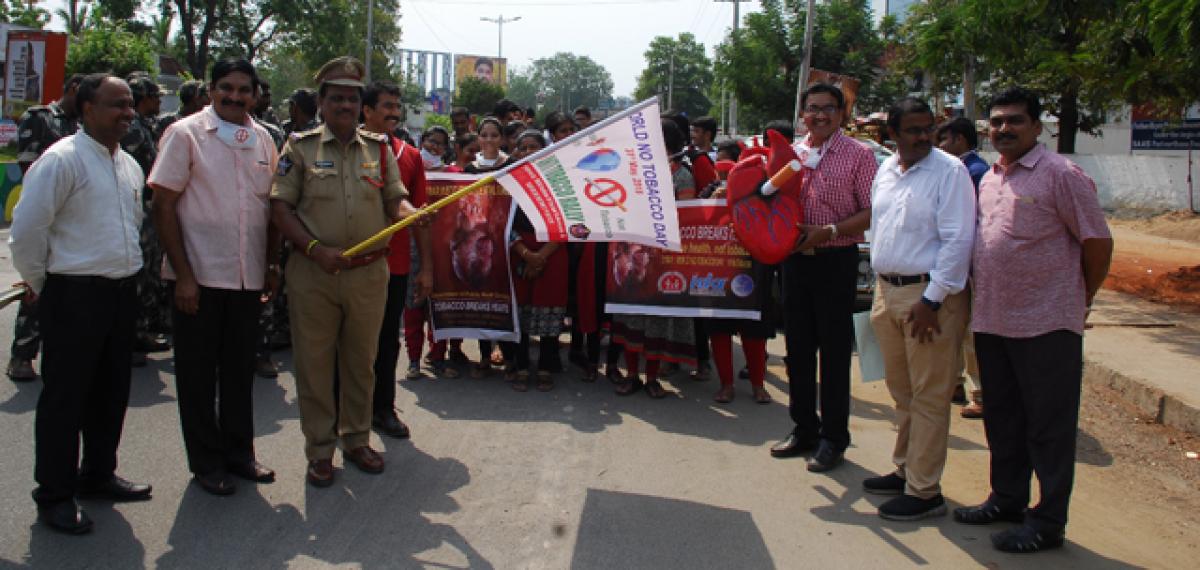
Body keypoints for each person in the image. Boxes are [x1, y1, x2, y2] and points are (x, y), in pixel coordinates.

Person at [953, 87, 1113, 554]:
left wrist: (1080, 297)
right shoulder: (989, 178)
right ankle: (1006, 499)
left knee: (1048, 427)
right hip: (993, 319)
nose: (1003, 129)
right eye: (997, 121)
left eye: (1015, 121)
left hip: (1047, 323)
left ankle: (1047, 522)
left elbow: (1097, 243)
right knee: (1002, 419)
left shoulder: (1062, 174)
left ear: (1037, 127)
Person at [270, 56, 424, 487]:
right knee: (315, 364)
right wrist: (314, 249)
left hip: (368, 274)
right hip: (314, 274)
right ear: (321, 101)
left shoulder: (378, 149)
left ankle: (356, 439)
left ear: (361, 104)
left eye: (351, 98)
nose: (344, 105)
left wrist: (412, 213)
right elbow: (280, 207)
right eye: (335, 97)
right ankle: (320, 449)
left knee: (362, 362)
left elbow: (395, 199)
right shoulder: (298, 147)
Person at [10, 73, 153, 535]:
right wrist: (39, 282)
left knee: (110, 393)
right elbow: (28, 230)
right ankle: (54, 494)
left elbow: (131, 225)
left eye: (130, 105)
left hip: (119, 292)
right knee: (65, 400)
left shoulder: (128, 164)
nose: (127, 113)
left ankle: (97, 474)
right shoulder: (61, 161)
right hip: (74, 294)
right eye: (116, 105)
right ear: (87, 109)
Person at [149, 58, 281, 496]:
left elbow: (270, 211)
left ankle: (239, 454)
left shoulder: (264, 139)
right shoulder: (185, 135)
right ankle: (206, 462)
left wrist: (269, 265)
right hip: (198, 280)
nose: (235, 97)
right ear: (210, 90)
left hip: (246, 281)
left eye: (245, 90)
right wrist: (183, 276)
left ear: (256, 95)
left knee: (240, 372)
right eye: (226, 88)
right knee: (198, 375)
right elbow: (163, 206)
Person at [863, 97, 976, 521]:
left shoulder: (950, 172)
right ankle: (905, 468)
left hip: (929, 298)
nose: (924, 136)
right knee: (902, 391)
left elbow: (958, 241)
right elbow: (880, 227)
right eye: (913, 129)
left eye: (928, 127)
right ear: (892, 133)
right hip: (887, 292)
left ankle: (925, 491)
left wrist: (933, 301)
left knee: (930, 395)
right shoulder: (887, 170)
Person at [771, 84, 875, 473]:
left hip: (836, 258)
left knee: (833, 353)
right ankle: (803, 429)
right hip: (795, 260)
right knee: (797, 349)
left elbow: (871, 210)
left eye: (828, 108)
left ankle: (834, 438)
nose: (819, 115)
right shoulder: (792, 154)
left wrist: (829, 231)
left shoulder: (859, 155)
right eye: (812, 109)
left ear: (842, 114)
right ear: (802, 114)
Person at [362, 80, 433, 438]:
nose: (393, 112)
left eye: (396, 106)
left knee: (388, 342)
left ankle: (382, 408)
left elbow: (418, 215)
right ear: (367, 111)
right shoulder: (348, 151)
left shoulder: (410, 156)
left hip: (396, 265)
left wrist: (427, 270)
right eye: (386, 105)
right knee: (351, 343)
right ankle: (350, 415)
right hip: (353, 266)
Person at [611, 119, 697, 399]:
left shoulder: (682, 175)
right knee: (632, 318)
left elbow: (686, 219)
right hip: (630, 256)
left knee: (656, 321)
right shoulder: (631, 172)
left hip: (663, 259)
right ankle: (632, 375)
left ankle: (651, 378)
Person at [7, 73, 84, 382]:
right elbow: (28, 163)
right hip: (42, 211)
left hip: (72, 218)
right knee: (34, 290)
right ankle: (22, 355)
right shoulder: (40, 116)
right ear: (73, 89)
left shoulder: (80, 125)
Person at [936, 116, 990, 418]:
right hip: (954, 263)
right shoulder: (958, 171)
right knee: (952, 326)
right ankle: (956, 383)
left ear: (960, 140)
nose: (941, 147)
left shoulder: (974, 172)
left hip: (970, 264)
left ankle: (978, 393)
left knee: (970, 330)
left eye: (945, 140)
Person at [505, 130, 568, 391]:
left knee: (549, 310)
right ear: (517, 151)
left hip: (553, 251)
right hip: (518, 249)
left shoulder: (560, 183)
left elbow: (569, 221)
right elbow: (501, 221)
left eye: (535, 147)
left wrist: (541, 255)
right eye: (524, 147)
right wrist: (525, 254)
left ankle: (545, 365)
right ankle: (520, 365)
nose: (530, 152)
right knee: (520, 311)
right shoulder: (507, 182)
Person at [122, 75, 172, 365]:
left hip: (149, 214)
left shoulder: (145, 127)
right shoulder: (132, 131)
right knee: (136, 277)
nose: (159, 102)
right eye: (155, 96)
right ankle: (129, 338)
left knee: (148, 276)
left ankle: (139, 332)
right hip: (137, 214)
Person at [463, 117, 511, 377]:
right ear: (478, 138)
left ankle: (505, 350)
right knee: (481, 295)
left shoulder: (512, 165)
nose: (490, 140)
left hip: (504, 238)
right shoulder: (471, 169)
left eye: (495, 135)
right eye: (485, 135)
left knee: (503, 294)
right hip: (479, 240)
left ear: (501, 138)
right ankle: (483, 354)